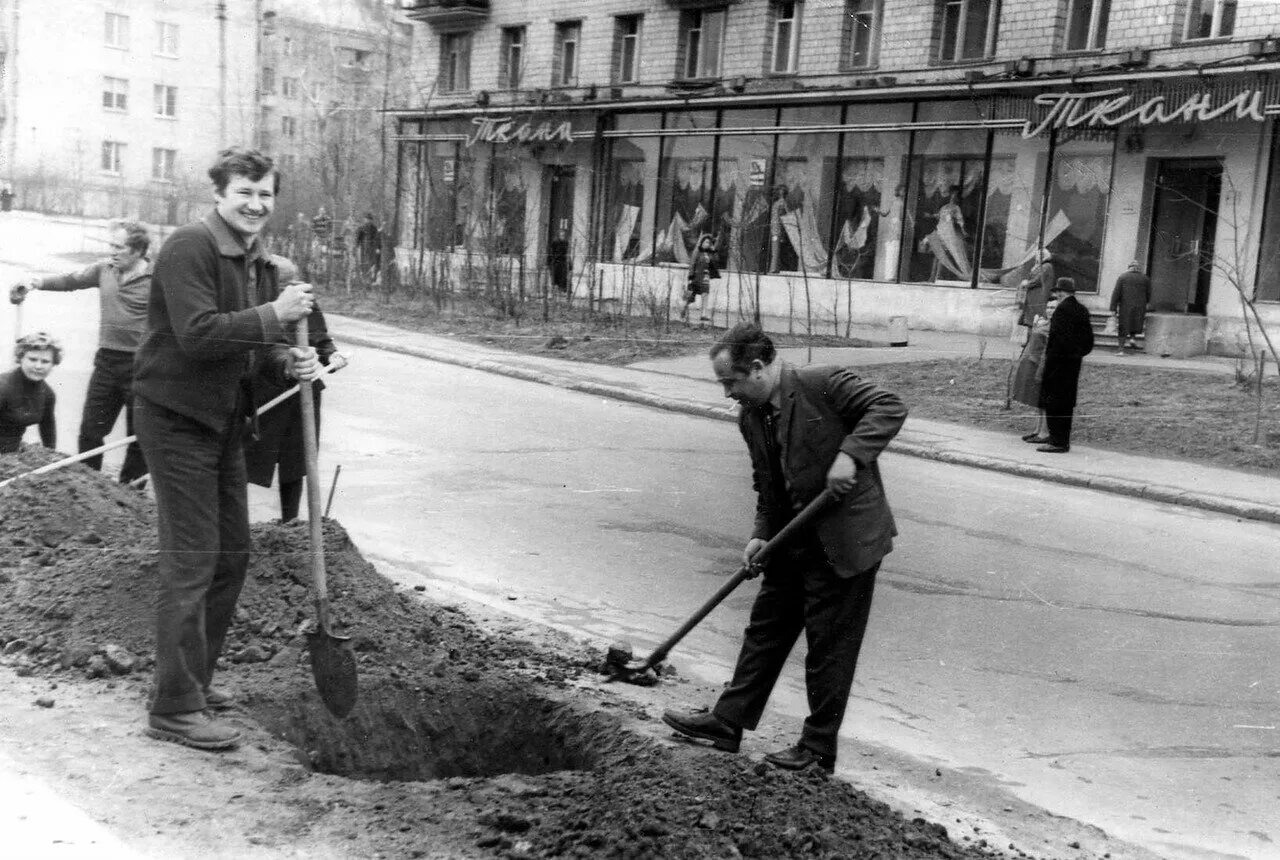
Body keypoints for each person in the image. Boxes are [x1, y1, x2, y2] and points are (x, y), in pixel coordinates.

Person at [132, 147, 321, 752]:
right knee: (191, 560)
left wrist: (289, 360)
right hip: (176, 417)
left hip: (224, 422)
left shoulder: (259, 260)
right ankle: (174, 709)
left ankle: (193, 681)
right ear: (220, 192)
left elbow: (250, 351)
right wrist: (274, 315)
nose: (256, 204)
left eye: (266, 194)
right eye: (245, 191)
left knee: (231, 556)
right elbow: (198, 334)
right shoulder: (190, 246)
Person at [662, 323, 907, 775]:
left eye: (730, 382)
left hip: (845, 543)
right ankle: (728, 721)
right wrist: (760, 532)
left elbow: (889, 405)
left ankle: (817, 751)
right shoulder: (751, 415)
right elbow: (767, 483)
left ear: (756, 369)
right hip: (792, 538)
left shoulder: (822, 383)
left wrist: (852, 454)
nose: (727, 393)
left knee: (828, 648)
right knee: (765, 630)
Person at [9, 221, 152, 483]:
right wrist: (34, 281)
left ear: (138, 250)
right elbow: (70, 280)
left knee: (140, 434)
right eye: (111, 245)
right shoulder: (104, 269)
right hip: (107, 361)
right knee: (90, 430)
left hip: (143, 365)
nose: (112, 251)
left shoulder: (159, 278)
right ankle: (89, 487)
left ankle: (130, 494)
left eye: (118, 247)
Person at [244, 255, 347, 522]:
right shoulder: (255, 305)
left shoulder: (307, 303)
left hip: (303, 395)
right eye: (281, 288)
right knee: (248, 459)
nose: (287, 294)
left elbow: (321, 340)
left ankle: (290, 521)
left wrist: (332, 357)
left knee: (296, 461)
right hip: (266, 391)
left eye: (290, 286)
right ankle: (237, 522)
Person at [1037, 277, 1094, 454]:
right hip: (1073, 364)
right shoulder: (1082, 310)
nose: (1056, 295)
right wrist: (1077, 354)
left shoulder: (1062, 310)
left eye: (1057, 292)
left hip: (1057, 363)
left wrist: (1052, 360)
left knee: (1054, 402)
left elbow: (1057, 340)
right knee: (1066, 403)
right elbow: (1089, 341)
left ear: (1061, 292)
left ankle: (1057, 441)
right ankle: (1062, 439)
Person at [0, 332, 61, 454]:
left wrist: (51, 457)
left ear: (53, 364)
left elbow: (47, 429)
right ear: (20, 358)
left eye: (45, 361)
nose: (38, 366)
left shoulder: (47, 394)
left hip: (11, 454)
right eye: (32, 359)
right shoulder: (3, 386)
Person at [1012, 295, 1059, 444]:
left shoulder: (1056, 326)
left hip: (1043, 365)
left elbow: (1048, 350)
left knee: (1044, 400)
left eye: (1054, 308)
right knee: (1037, 399)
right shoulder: (1043, 323)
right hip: (1033, 363)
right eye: (1049, 307)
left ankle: (1045, 432)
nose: (1050, 310)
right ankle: (1037, 430)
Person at [1110, 261, 1151, 353]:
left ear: (1129, 267)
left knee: (1123, 326)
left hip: (1125, 306)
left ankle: (1121, 349)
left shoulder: (1122, 277)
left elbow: (1116, 293)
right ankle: (1132, 339)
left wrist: (1113, 308)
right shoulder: (1145, 278)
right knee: (1135, 323)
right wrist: (1146, 302)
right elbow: (1149, 293)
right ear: (1138, 268)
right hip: (1140, 306)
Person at [682, 233, 718, 325]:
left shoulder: (709, 253)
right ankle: (684, 308)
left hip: (706, 276)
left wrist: (714, 251)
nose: (707, 244)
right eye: (706, 242)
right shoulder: (697, 251)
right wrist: (690, 277)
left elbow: (715, 261)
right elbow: (692, 264)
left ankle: (704, 314)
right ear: (701, 242)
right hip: (696, 276)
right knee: (690, 295)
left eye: (709, 243)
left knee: (705, 294)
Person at [548, 228, 570, 293]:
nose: (562, 237)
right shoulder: (554, 243)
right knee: (555, 279)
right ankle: (555, 292)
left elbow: (567, 253)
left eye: (563, 235)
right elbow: (551, 253)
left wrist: (569, 264)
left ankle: (561, 291)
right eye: (561, 235)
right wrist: (550, 262)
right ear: (558, 235)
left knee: (562, 279)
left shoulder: (566, 243)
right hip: (555, 263)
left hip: (563, 263)